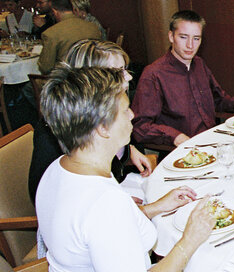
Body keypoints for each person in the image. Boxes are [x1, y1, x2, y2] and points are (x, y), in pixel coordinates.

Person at [37, 65, 216, 272]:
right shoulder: (103, 203)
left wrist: (157, 207)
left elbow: (93, 236)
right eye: (124, 109)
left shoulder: (60, 169)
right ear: (102, 128)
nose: (133, 114)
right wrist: (189, 240)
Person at [28, 39, 152, 204]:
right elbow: (44, 195)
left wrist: (129, 149)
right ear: (89, 78)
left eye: (125, 69)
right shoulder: (55, 130)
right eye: (117, 71)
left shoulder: (112, 111)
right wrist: (110, 203)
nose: (128, 77)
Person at [132, 10, 234, 147]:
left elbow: (219, 99)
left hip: (213, 141)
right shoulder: (154, 74)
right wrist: (175, 137)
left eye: (196, 38)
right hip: (183, 152)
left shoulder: (199, 64)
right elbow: (140, 126)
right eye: (183, 37)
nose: (190, 45)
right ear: (171, 36)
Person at [37, 0, 102, 74]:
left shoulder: (51, 33)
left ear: (54, 12)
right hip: (93, 75)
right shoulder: (93, 27)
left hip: (68, 80)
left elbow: (45, 68)